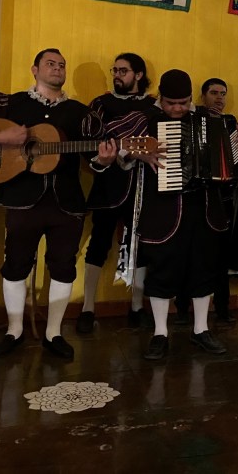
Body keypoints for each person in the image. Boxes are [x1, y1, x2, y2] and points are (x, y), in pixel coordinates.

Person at [0, 48, 115, 360]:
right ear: (35, 69)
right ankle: (14, 330)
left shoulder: (79, 113)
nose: (57, 68)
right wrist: (1, 138)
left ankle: (54, 333)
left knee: (63, 266)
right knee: (16, 264)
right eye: (50, 63)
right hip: (21, 200)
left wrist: (104, 160)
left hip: (66, 203)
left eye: (62, 65)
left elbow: (93, 159)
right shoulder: (11, 103)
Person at [107, 69, 228, 360]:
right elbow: (110, 138)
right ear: (160, 98)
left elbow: (225, 153)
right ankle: (160, 333)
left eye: (183, 103)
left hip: (203, 207)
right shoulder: (145, 118)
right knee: (162, 268)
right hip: (163, 208)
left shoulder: (207, 119)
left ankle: (201, 329)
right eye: (171, 103)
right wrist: (135, 153)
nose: (177, 109)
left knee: (203, 268)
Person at [77, 53, 157, 334]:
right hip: (108, 184)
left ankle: (136, 307)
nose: (117, 75)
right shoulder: (100, 104)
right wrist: (115, 155)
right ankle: (87, 308)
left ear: (138, 75)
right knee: (99, 244)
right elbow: (89, 142)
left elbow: (158, 144)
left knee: (142, 246)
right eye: (115, 70)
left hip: (143, 185)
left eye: (123, 71)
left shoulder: (153, 105)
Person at [174, 77, 238, 325]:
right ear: (202, 96)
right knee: (188, 253)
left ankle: (222, 306)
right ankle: (182, 308)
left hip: (222, 198)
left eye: (223, 93)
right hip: (193, 196)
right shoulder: (189, 119)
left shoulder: (230, 123)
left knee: (221, 254)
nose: (219, 98)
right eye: (214, 93)